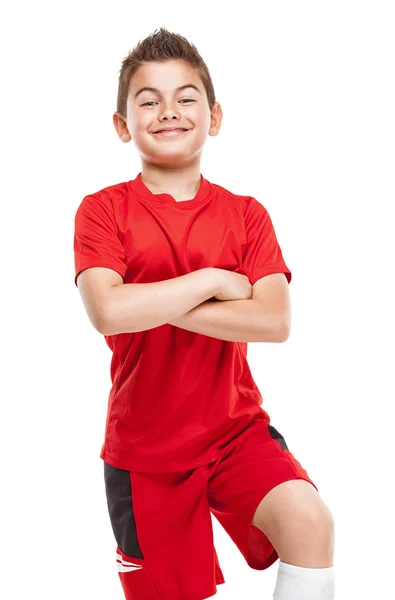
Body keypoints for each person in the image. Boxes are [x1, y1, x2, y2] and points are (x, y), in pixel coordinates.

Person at [73, 27, 335, 600]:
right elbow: (107, 311)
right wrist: (214, 282)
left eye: (186, 97)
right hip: (144, 452)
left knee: (310, 522)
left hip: (235, 431)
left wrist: (150, 300)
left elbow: (274, 321)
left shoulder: (246, 215)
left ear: (214, 116)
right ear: (123, 125)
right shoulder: (101, 211)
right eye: (149, 100)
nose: (169, 111)